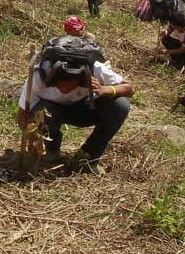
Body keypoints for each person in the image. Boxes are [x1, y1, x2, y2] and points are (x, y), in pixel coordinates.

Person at [17, 37, 133, 173]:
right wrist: (33, 139)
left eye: (72, 85)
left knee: (121, 105)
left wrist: (105, 90)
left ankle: (87, 158)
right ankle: (50, 151)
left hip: (86, 109)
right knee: (41, 111)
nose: (66, 90)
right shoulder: (39, 76)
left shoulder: (94, 70)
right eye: (61, 86)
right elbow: (22, 115)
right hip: (52, 113)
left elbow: (129, 87)